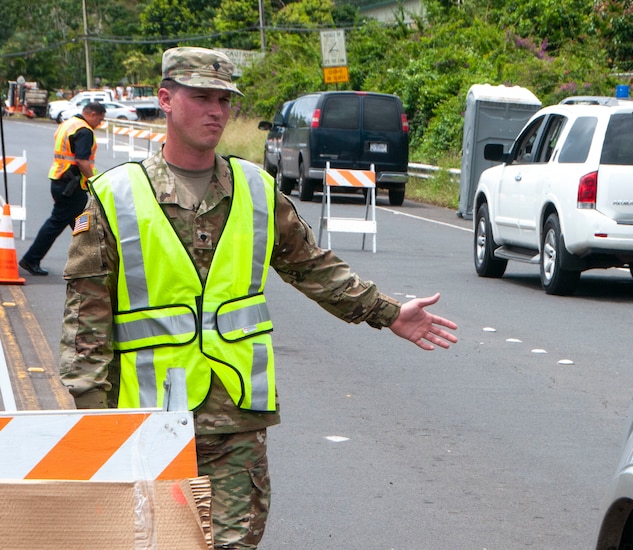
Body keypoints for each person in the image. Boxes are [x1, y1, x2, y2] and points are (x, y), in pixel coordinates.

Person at [59, 47, 458, 549]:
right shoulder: (115, 195)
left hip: (235, 421)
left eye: (224, 100)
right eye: (202, 97)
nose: (216, 111)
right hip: (148, 423)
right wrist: (96, 424)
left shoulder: (256, 189)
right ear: (164, 99)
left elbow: (312, 267)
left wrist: (388, 312)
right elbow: (85, 323)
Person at [18, 101, 106, 276]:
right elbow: (82, 160)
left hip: (61, 181)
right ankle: (31, 259)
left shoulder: (68, 124)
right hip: (71, 186)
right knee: (59, 224)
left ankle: (93, 261)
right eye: (100, 119)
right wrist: (95, 181)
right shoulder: (84, 131)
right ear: (93, 115)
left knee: (81, 224)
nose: (100, 124)